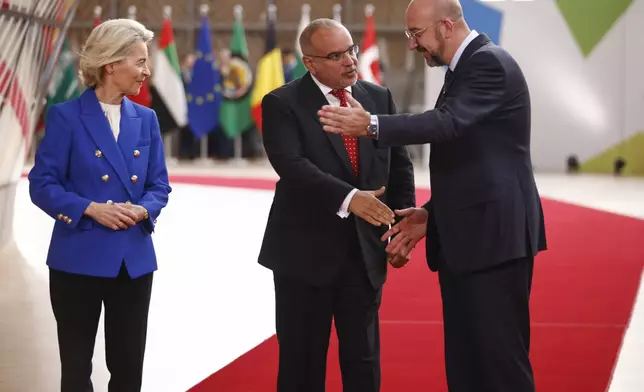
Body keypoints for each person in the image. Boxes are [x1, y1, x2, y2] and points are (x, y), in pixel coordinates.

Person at [317, 0, 547, 391]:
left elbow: (448, 124)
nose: (411, 45)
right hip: (470, 240)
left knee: (499, 365)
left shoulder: (489, 63)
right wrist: (430, 214)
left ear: (445, 26)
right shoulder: (463, 70)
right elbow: (475, 163)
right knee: (467, 365)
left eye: (415, 34)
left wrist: (371, 124)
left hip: (494, 242)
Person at [258, 18, 416, 392]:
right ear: (310, 63)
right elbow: (293, 168)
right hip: (304, 256)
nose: (349, 61)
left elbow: (400, 167)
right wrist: (350, 199)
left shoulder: (378, 98)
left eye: (351, 50)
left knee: (363, 363)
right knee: (302, 363)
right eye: (336, 55)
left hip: (364, 257)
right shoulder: (282, 103)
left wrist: (401, 227)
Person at [28, 18, 171, 392]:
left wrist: (144, 210)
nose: (147, 70)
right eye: (140, 61)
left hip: (133, 261)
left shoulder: (148, 119)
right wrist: (91, 208)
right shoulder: (66, 117)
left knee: (128, 370)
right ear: (111, 65)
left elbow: (159, 185)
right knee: (76, 370)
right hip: (78, 258)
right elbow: (42, 184)